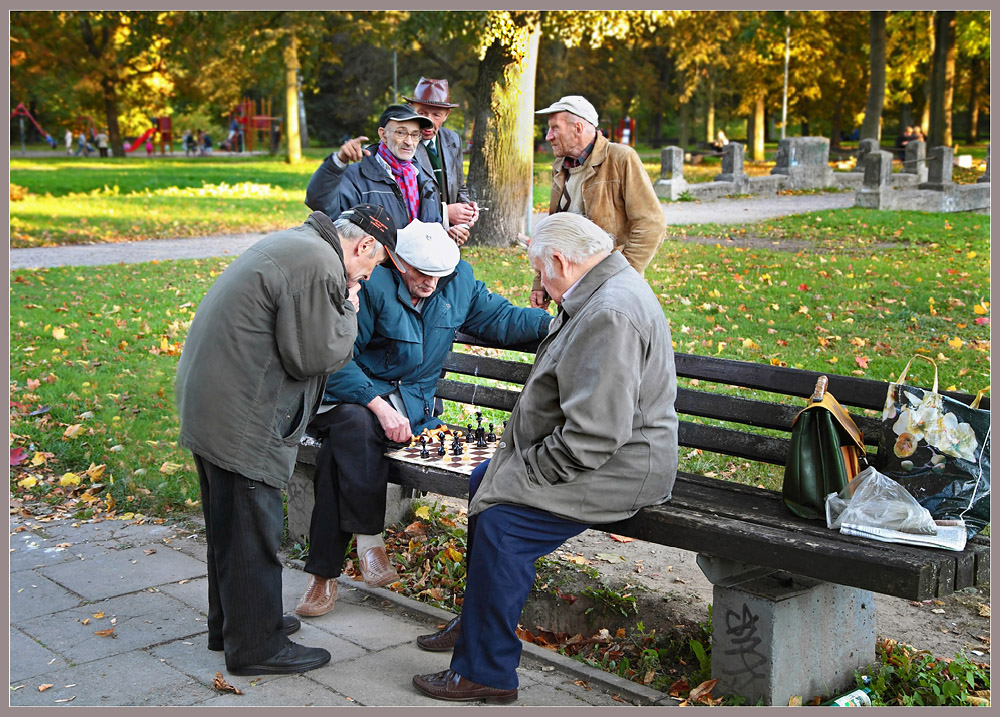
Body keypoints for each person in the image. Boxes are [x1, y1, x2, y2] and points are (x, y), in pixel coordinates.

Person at [411, 212, 679, 703]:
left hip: (621, 466)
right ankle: (477, 624)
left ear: (560, 259)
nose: (540, 284)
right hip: (597, 454)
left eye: (540, 272)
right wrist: (514, 468)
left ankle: (486, 672)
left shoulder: (609, 312)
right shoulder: (599, 289)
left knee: (502, 525)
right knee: (484, 480)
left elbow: (596, 436)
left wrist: (527, 471)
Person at [174, 204, 400, 676]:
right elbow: (317, 357)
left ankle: (234, 626)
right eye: (372, 265)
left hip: (212, 401)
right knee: (253, 531)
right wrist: (350, 306)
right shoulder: (320, 266)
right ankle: (256, 647)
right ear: (363, 246)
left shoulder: (298, 244)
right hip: (241, 415)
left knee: (228, 527)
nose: (367, 276)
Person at [294, 219, 552, 618]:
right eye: (420, 272)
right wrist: (376, 402)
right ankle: (369, 544)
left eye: (439, 274)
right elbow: (336, 357)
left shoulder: (458, 281)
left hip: (409, 410)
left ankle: (323, 576)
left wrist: (560, 325)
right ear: (397, 261)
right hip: (347, 394)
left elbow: (502, 319)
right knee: (355, 426)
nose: (430, 282)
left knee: (341, 453)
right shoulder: (371, 282)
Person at [530, 95, 666, 309]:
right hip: (569, 288)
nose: (548, 137)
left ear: (578, 128)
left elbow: (651, 225)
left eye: (555, 128)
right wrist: (541, 282)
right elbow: (555, 232)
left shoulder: (621, 158)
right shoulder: (561, 166)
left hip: (612, 290)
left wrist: (620, 274)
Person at [304, 104, 444, 232]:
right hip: (376, 259)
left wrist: (445, 234)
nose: (409, 142)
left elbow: (433, 225)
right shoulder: (356, 176)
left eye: (414, 135)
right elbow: (320, 203)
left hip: (421, 258)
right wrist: (338, 162)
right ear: (383, 134)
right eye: (401, 133)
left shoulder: (422, 178)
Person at [403, 77, 480, 246]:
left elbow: (460, 187)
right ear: (411, 109)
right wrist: (445, 213)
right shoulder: (401, 145)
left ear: (447, 114)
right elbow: (402, 201)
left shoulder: (452, 139)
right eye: (422, 113)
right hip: (416, 239)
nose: (428, 121)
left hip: (451, 238)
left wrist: (466, 213)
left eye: (436, 115)